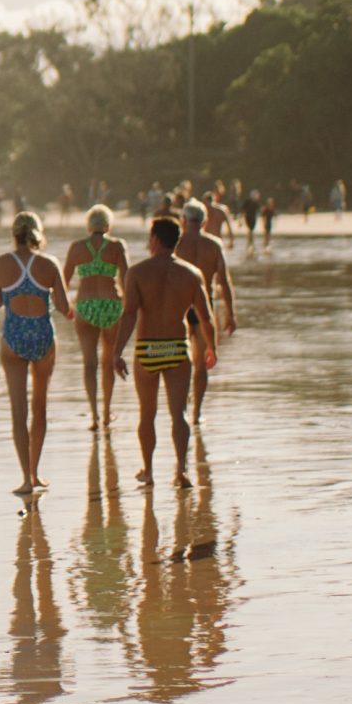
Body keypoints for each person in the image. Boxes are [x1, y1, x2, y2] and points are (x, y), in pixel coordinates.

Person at [106, 217, 214, 489]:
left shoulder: (138, 272)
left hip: (148, 348)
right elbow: (205, 316)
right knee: (179, 413)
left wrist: (116, 351)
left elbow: (129, 314)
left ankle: (149, 471)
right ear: (176, 240)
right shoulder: (191, 273)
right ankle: (181, 470)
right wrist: (211, 347)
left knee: (147, 413)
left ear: (155, 239)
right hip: (178, 347)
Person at [0, 212, 67, 500]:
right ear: (37, 233)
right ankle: (36, 472)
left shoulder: (1, 263)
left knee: (18, 410)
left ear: (14, 233)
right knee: (40, 406)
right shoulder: (49, 264)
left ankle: (25, 479)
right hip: (43, 336)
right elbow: (62, 305)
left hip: (13, 336)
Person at [67, 205, 131, 428]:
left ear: (88, 225)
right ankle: (106, 412)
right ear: (107, 225)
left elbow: (63, 281)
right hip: (111, 305)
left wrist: (67, 307)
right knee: (107, 362)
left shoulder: (76, 247)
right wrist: (130, 304)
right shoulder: (116, 246)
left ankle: (93, 414)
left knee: (89, 363)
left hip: (84, 306)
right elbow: (126, 278)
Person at [175, 200, 239, 416]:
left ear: (183, 220)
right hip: (204, 307)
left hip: (179, 309)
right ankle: (197, 414)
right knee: (202, 363)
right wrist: (231, 314)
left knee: (181, 360)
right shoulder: (213, 245)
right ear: (204, 221)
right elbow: (224, 281)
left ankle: (182, 406)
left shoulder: (175, 244)